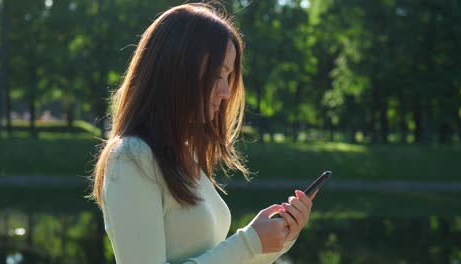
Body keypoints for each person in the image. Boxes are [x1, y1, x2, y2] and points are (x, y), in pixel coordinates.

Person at [89, 3, 317, 264]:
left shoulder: (185, 154)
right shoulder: (132, 157)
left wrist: (277, 239)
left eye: (228, 77)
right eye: (218, 75)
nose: (226, 92)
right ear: (178, 69)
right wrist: (249, 242)